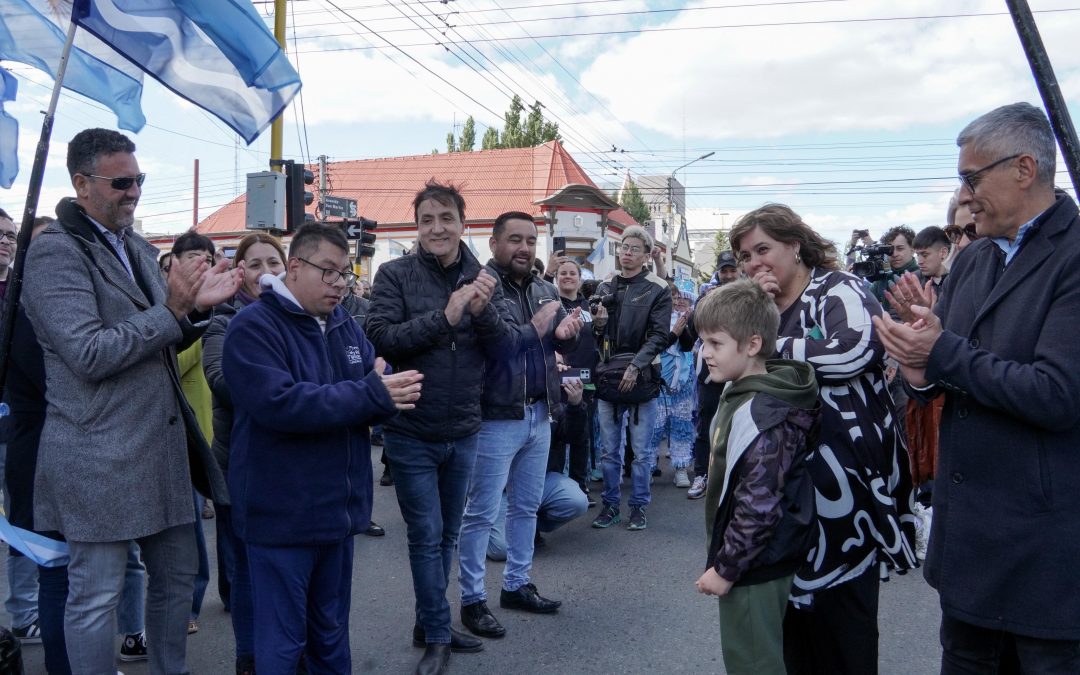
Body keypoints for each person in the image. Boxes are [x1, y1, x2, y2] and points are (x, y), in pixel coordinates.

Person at [21, 128, 238, 674]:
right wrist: (173, 310)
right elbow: (89, 353)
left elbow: (163, 333)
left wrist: (195, 311)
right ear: (81, 184)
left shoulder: (136, 244)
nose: (134, 192)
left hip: (162, 450)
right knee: (94, 600)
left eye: (138, 179)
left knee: (175, 584)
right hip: (99, 459)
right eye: (121, 182)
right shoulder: (53, 253)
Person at [875, 102, 1080, 674]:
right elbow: (954, 374)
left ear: (1024, 169)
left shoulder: (1074, 255)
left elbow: (1056, 393)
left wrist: (941, 351)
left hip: (1043, 561)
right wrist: (919, 371)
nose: (964, 197)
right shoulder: (976, 261)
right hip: (969, 551)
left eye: (972, 178)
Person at [222, 222, 419, 673]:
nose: (338, 283)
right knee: (283, 643)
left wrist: (391, 394)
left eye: (344, 273)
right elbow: (283, 405)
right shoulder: (253, 327)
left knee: (329, 636)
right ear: (294, 267)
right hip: (282, 518)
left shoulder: (345, 324)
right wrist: (374, 392)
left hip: (336, 514)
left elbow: (369, 390)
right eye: (327, 272)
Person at [730, 203, 916, 674]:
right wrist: (757, 318)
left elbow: (855, 349)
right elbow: (721, 360)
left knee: (843, 630)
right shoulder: (760, 311)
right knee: (794, 626)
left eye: (762, 249)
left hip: (846, 486)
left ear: (795, 245)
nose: (754, 263)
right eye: (744, 255)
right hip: (783, 486)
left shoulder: (839, 287)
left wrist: (766, 348)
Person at [366, 180, 510, 675]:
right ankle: (437, 635)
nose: (437, 228)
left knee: (448, 534)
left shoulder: (483, 275)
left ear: (462, 223)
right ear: (417, 226)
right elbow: (380, 337)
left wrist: (482, 312)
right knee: (426, 536)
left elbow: (505, 347)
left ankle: (428, 621)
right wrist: (445, 318)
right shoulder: (393, 274)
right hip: (411, 430)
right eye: (427, 220)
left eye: (446, 218)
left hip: (464, 428)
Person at [458, 211, 582, 639]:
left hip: (539, 412)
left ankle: (516, 585)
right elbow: (501, 347)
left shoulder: (546, 288)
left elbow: (554, 343)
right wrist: (544, 324)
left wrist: (566, 333)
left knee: (526, 508)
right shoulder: (482, 287)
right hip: (495, 415)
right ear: (494, 244)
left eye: (531, 240)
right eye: (514, 239)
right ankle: (472, 599)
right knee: (479, 513)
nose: (525, 248)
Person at [693, 279, 819, 675]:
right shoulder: (743, 393)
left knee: (752, 664)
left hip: (754, 565)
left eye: (716, 343)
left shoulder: (760, 410)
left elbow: (758, 503)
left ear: (751, 345)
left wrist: (727, 567)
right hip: (759, 559)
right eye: (703, 341)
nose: (705, 353)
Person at [202, 231, 286, 675]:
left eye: (273, 262)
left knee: (286, 574)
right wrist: (286, 389)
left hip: (291, 472)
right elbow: (220, 379)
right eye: (254, 264)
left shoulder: (304, 317)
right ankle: (248, 659)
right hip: (240, 466)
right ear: (240, 273)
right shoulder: (223, 320)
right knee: (247, 576)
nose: (266, 272)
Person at [589, 226, 672, 531]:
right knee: (609, 451)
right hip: (609, 376)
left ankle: (638, 506)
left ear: (648, 255)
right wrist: (598, 326)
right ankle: (610, 505)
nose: (627, 252)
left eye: (635, 248)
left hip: (642, 376)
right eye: (624, 246)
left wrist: (636, 366)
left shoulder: (658, 288)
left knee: (642, 452)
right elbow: (596, 337)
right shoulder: (605, 285)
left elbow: (660, 335)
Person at [169, 232, 217, 638]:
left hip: (201, 430)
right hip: (167, 431)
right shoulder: (168, 304)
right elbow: (172, 360)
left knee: (192, 528)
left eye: (208, 257)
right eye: (195, 257)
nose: (203, 264)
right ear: (175, 261)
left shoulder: (214, 305)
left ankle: (190, 604)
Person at [0, 209, 41, 646]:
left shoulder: (22, 292)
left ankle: (24, 614)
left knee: (21, 521)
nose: (6, 241)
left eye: (10, 235)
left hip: (14, 427)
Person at [687, 250, 740, 500]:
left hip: (741, 366)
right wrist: (705, 303)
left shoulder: (749, 291)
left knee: (739, 421)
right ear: (717, 271)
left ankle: (733, 477)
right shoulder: (706, 292)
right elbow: (694, 328)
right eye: (724, 270)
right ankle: (701, 474)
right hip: (710, 367)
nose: (729, 275)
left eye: (733, 270)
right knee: (706, 421)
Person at [553, 258, 599, 491]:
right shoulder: (551, 304)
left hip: (586, 379)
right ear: (556, 277)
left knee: (582, 434)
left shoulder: (590, 307)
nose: (568, 277)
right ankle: (558, 486)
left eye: (572, 273)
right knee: (559, 436)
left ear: (580, 279)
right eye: (563, 273)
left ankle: (580, 484)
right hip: (557, 377)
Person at [649, 284, 696, 488]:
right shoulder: (651, 319)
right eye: (670, 297)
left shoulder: (688, 319)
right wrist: (673, 332)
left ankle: (681, 468)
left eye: (677, 297)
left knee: (681, 427)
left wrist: (682, 326)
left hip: (682, 384)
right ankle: (648, 468)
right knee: (653, 428)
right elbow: (653, 347)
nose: (675, 301)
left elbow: (688, 345)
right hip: (657, 383)